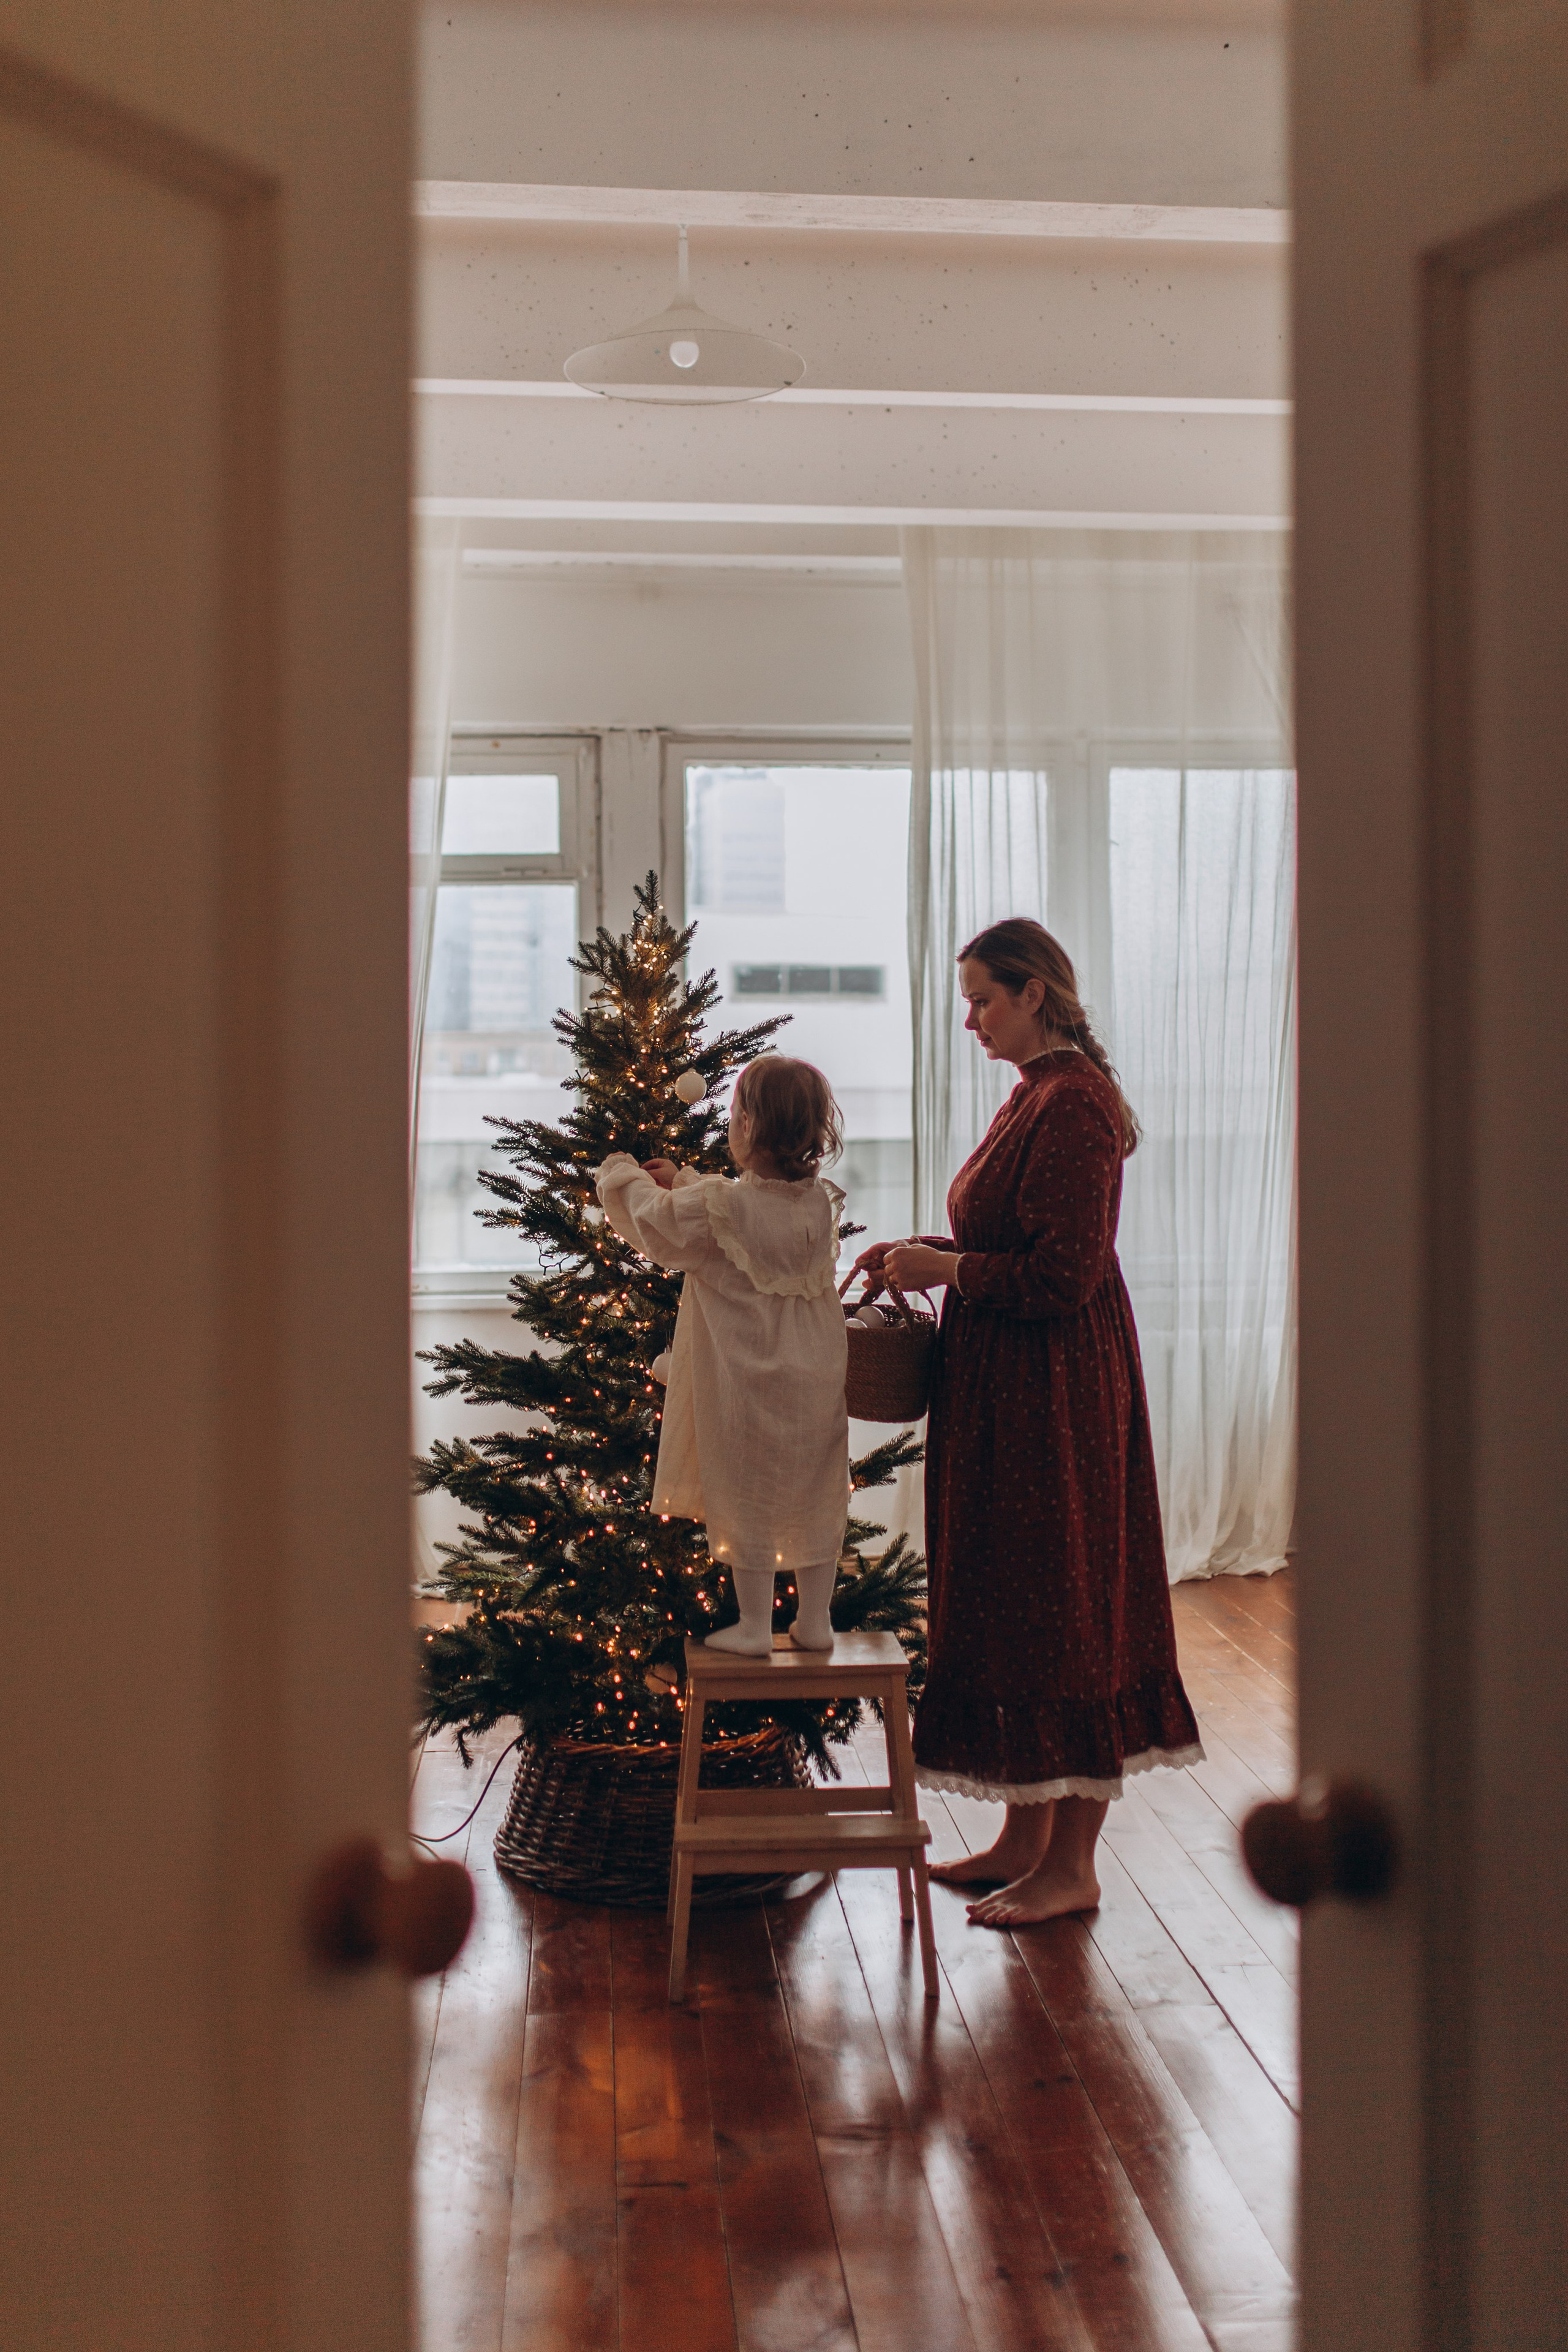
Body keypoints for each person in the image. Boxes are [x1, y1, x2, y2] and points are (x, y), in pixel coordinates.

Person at [853, 920, 1202, 1927]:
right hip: (1009, 1387)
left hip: (1056, 1395)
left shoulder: (1076, 1104)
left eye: (982, 1000)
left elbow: (1063, 1275)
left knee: (1067, 1610)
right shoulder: (1034, 1094)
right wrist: (925, 1253)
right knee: (1018, 1604)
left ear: (1034, 994)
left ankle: (1073, 1867)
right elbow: (1013, 1237)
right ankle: (1023, 1840)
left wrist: (948, 1269)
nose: (971, 1020)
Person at [596, 1054, 850, 1657]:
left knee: (749, 1492)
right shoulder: (816, 1203)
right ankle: (815, 1620)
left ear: (748, 1127)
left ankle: (755, 1626)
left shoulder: (724, 1206)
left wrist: (622, 1176)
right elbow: (738, 1212)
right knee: (817, 1492)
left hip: (748, 1379)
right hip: (816, 1378)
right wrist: (686, 1179)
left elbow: (659, 1223)